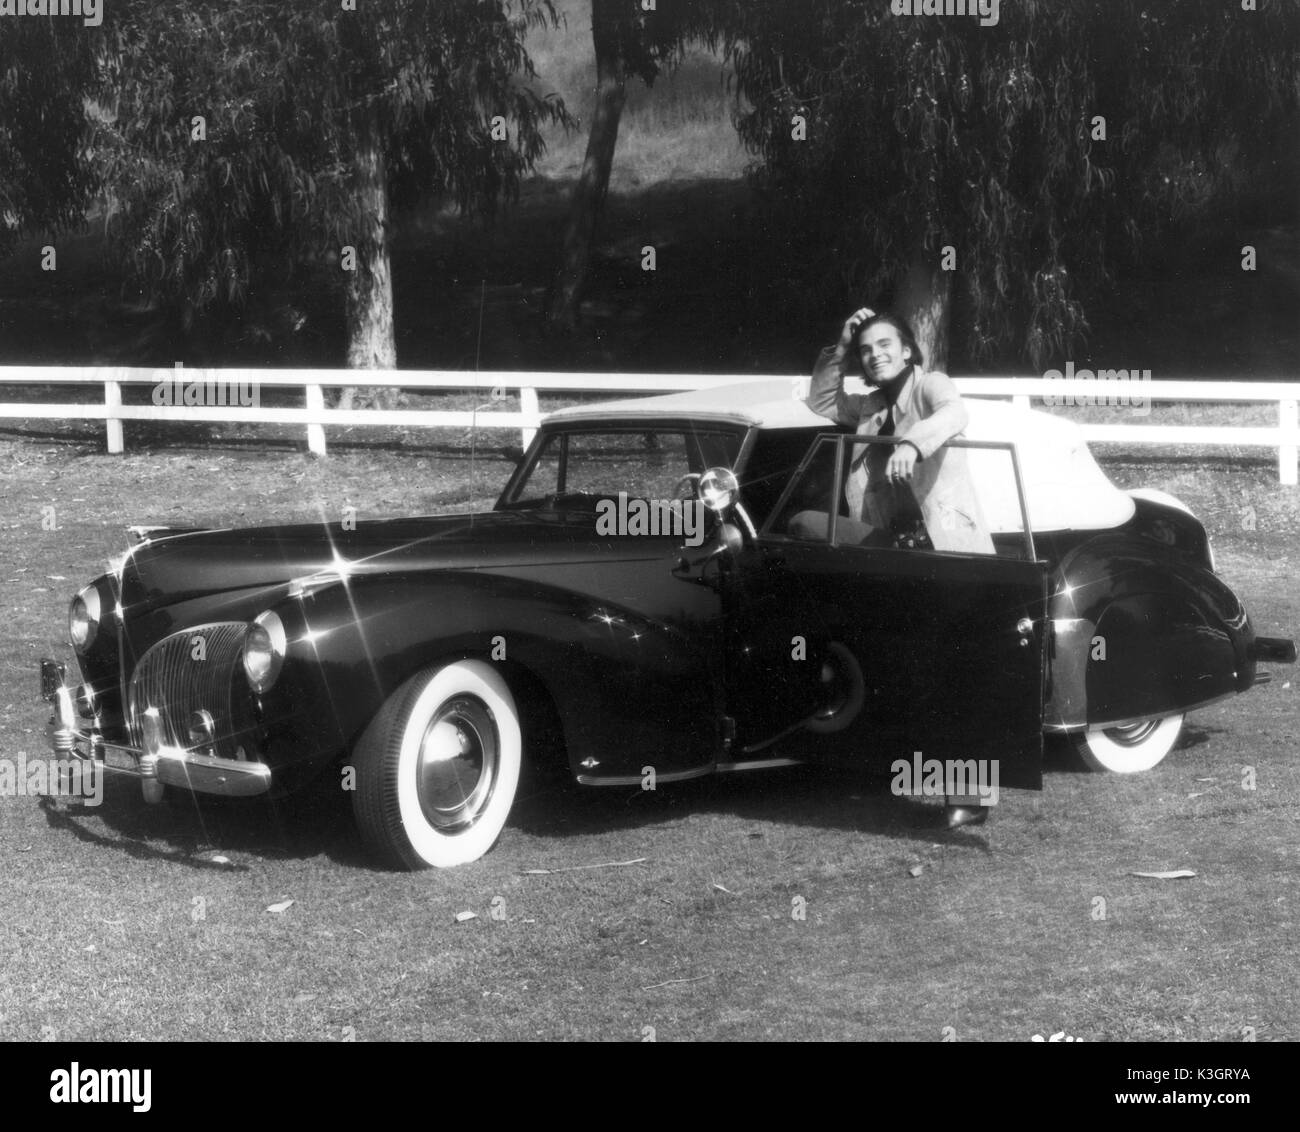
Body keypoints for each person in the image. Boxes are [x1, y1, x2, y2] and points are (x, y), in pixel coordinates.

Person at [805, 306, 993, 830]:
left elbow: (955, 415)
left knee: (952, 668)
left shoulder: (931, 385)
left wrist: (913, 440)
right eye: (867, 349)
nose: (875, 355)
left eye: (884, 345)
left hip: (947, 550)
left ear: (907, 350)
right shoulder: (867, 407)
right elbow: (821, 399)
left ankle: (970, 794)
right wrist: (841, 343)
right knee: (805, 526)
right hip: (894, 549)